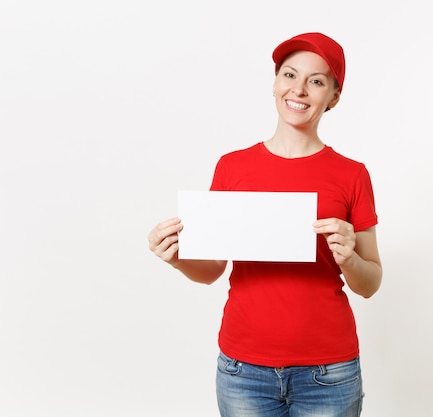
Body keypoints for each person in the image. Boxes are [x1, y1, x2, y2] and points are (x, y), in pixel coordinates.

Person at [148, 32, 382, 417]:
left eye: (317, 81)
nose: (300, 90)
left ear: (333, 98)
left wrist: (350, 257)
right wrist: (176, 257)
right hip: (244, 370)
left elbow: (370, 283)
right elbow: (211, 271)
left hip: (328, 372)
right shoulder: (232, 167)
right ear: (275, 84)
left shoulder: (352, 175)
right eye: (290, 75)